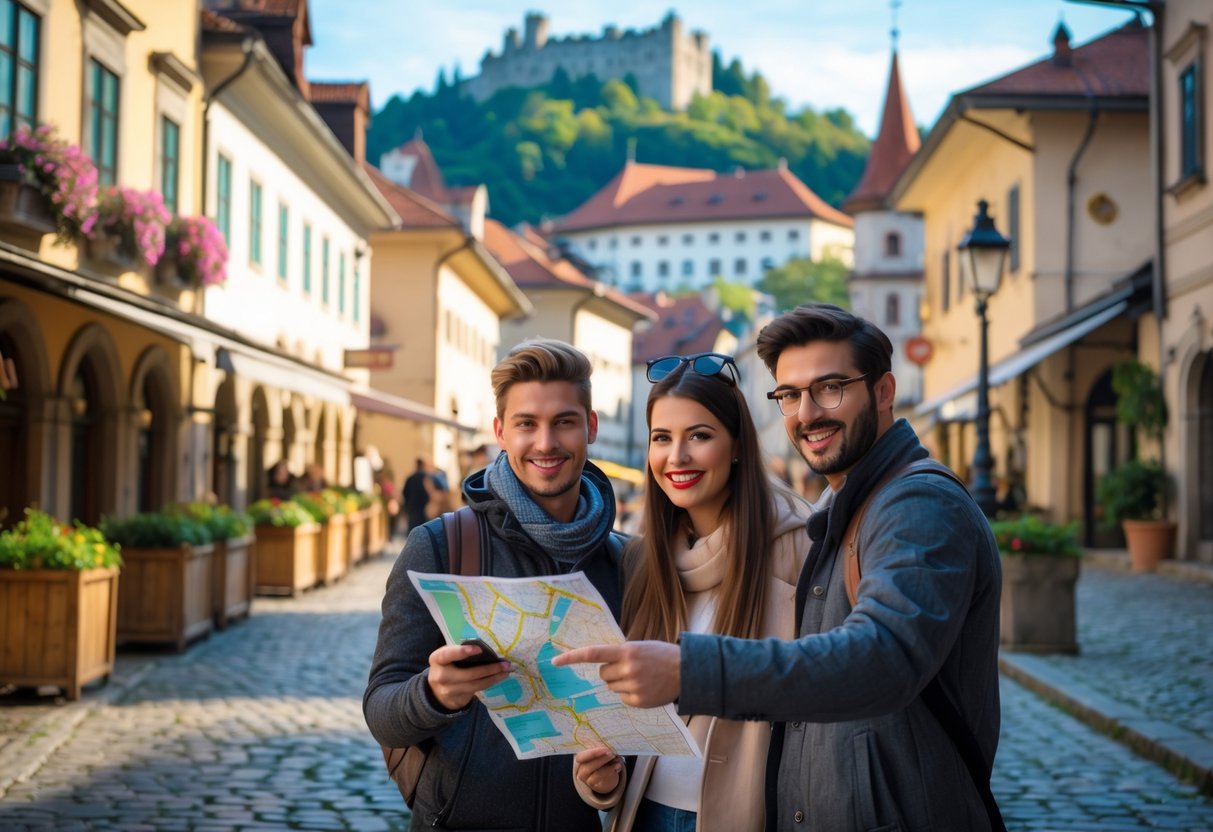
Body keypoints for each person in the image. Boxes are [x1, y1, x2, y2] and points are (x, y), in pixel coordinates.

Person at [555, 304, 1003, 831]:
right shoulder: (846, 512)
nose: (807, 413)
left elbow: (883, 659)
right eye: (789, 395)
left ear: (883, 392)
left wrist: (687, 670)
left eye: (830, 387)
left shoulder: (917, 504)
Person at [364, 338, 624, 831]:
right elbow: (381, 709)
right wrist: (435, 693)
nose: (545, 443)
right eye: (526, 424)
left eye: (564, 422)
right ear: (501, 431)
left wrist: (608, 784)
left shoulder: (625, 562)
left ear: (590, 427)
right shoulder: (440, 546)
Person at [572, 352, 809, 831]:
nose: (676, 457)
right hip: (645, 816)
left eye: (699, 436)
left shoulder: (798, 548)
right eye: (662, 438)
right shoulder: (644, 561)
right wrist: (602, 781)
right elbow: (626, 722)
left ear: (737, 443)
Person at [401, 457, 432, 532]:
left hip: (412, 508)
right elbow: (430, 492)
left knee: (412, 531)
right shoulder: (426, 477)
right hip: (423, 508)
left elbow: (404, 492)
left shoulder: (410, 477)